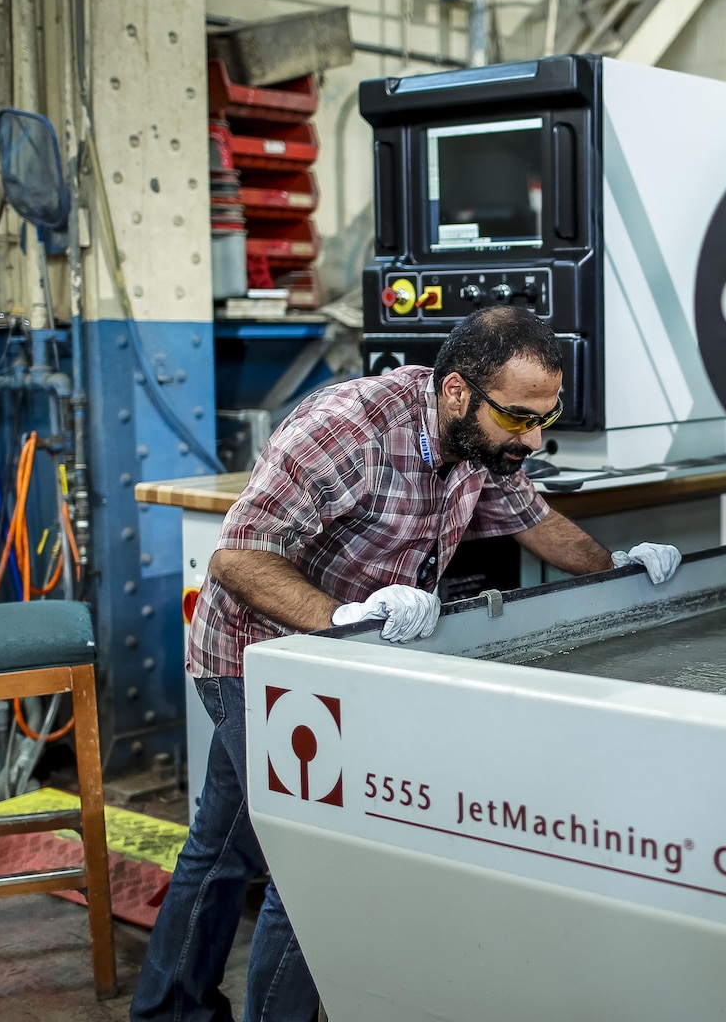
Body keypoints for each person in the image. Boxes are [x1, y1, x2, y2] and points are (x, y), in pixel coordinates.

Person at [130, 306, 681, 1021]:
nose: (534, 437)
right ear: (457, 391)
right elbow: (237, 557)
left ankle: (167, 1011)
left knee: (226, 845)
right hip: (261, 659)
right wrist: (341, 618)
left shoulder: (485, 443)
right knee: (321, 861)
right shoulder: (348, 429)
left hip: (353, 663)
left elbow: (533, 519)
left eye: (544, 417)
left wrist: (623, 570)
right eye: (518, 418)